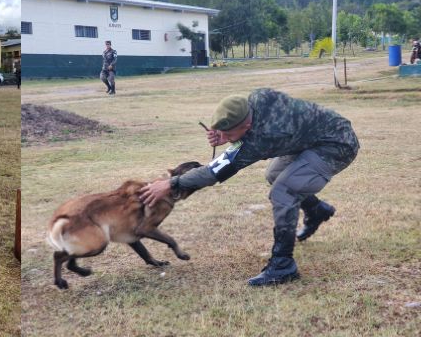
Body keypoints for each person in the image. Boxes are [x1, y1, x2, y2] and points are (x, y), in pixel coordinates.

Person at [139, 88, 359, 286]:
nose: (224, 139)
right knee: (274, 174)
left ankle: (283, 265)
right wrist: (227, 134)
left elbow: (214, 172)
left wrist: (172, 183)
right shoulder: (256, 100)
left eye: (230, 134)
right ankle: (316, 210)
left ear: (247, 125)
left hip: (336, 144)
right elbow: (245, 134)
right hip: (312, 136)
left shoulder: (263, 138)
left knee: (284, 191)